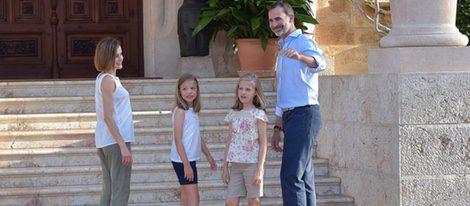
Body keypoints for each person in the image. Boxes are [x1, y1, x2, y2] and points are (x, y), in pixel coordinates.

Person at [268, 1, 326, 206]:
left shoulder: (301, 41)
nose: (274, 24)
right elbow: (284, 91)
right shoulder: (283, 47)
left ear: (290, 18)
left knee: (290, 175)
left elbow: (320, 63)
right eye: (271, 20)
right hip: (291, 116)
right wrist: (277, 126)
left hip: (305, 114)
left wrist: (301, 57)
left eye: (278, 19)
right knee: (303, 176)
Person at [94, 37, 135, 206]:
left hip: (106, 141)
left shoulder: (104, 79)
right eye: (116, 55)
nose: (120, 58)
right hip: (116, 142)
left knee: (109, 190)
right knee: (120, 191)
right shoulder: (108, 81)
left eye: (121, 54)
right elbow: (108, 116)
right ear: (106, 57)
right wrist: (123, 146)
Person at [170, 73, 217, 206]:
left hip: (189, 159)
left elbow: (197, 136)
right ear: (179, 91)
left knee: (186, 198)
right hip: (182, 160)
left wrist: (209, 156)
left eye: (192, 88)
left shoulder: (192, 110)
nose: (189, 92)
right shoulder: (180, 111)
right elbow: (178, 140)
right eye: (185, 89)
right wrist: (186, 165)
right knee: (193, 199)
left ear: (197, 90)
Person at [222, 73, 268, 206]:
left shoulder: (259, 115)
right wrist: (225, 166)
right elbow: (229, 140)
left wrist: (260, 169)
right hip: (235, 165)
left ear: (255, 92)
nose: (243, 92)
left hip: (252, 165)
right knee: (230, 202)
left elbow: (264, 143)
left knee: (253, 201)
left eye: (248, 89)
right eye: (241, 88)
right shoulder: (233, 114)